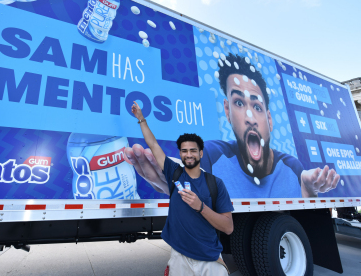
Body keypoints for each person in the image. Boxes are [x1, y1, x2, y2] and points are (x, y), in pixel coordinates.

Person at [125, 53, 340, 198]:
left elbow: (302, 198)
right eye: (239, 103)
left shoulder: (291, 167)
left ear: (270, 119)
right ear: (227, 111)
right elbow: (186, 172)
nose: (249, 117)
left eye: (256, 106)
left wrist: (309, 187)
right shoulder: (212, 154)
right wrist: (169, 175)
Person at [130, 101, 233, 275]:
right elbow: (153, 145)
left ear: (201, 153)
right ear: (180, 154)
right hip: (179, 258)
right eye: (184, 151)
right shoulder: (174, 173)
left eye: (193, 150)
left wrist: (200, 206)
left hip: (210, 260)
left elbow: (228, 227)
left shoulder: (216, 183)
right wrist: (141, 119)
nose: (189, 154)